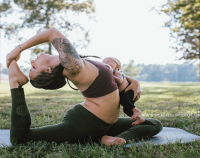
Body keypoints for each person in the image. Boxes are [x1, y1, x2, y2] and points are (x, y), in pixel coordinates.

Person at [6, 27, 163, 146]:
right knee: (20, 138)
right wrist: (17, 50)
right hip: (84, 123)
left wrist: (132, 81)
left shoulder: (73, 63)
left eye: (31, 67)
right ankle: (16, 82)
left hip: (103, 124)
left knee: (154, 124)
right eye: (33, 68)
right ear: (48, 70)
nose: (32, 62)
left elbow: (107, 75)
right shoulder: (73, 67)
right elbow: (52, 32)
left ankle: (113, 139)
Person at [102, 57, 145, 126]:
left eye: (109, 61)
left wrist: (110, 76)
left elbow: (119, 81)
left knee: (124, 101)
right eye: (103, 62)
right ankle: (139, 118)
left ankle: (136, 110)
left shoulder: (116, 72)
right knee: (126, 109)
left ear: (117, 66)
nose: (105, 63)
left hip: (128, 91)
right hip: (123, 93)